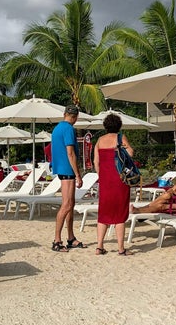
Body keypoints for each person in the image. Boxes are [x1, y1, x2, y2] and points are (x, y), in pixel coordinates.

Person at [92, 114, 134, 255]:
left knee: (103, 213)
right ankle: (121, 249)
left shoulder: (99, 140)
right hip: (120, 180)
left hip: (105, 181)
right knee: (120, 213)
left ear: (105, 126)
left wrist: (101, 175)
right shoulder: (120, 138)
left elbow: (96, 162)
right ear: (119, 126)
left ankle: (99, 246)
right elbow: (131, 153)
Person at [49, 106, 84, 252]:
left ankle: (71, 237)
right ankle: (57, 240)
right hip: (67, 170)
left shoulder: (57, 128)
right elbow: (70, 153)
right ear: (75, 117)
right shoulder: (69, 129)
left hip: (61, 169)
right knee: (67, 205)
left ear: (64, 114)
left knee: (70, 204)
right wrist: (78, 174)